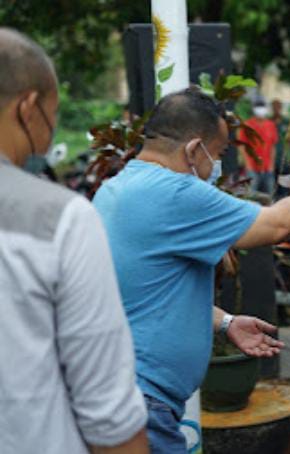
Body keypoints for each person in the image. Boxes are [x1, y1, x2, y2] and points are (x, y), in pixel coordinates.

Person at [93, 88, 290, 452]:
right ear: (193, 150)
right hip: (143, 404)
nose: (217, 167)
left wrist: (225, 322)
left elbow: (147, 294)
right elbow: (275, 226)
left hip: (123, 396)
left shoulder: (115, 190)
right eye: (218, 155)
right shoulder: (173, 192)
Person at [0, 28, 149, 453]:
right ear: (28, 108)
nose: (49, 135)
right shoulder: (62, 220)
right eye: (52, 116)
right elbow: (109, 416)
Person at [238, 101, 278, 194]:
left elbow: (272, 146)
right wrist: (247, 164)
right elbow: (242, 146)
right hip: (252, 168)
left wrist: (272, 164)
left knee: (269, 195)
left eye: (262, 107)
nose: (261, 110)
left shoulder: (271, 125)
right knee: (251, 196)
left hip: (267, 168)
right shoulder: (247, 125)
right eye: (258, 107)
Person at [271, 99, 289, 177]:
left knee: (284, 183)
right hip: (271, 159)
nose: (276, 109)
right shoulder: (268, 122)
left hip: (283, 158)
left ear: (281, 108)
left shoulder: (286, 122)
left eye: (278, 107)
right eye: (274, 107)